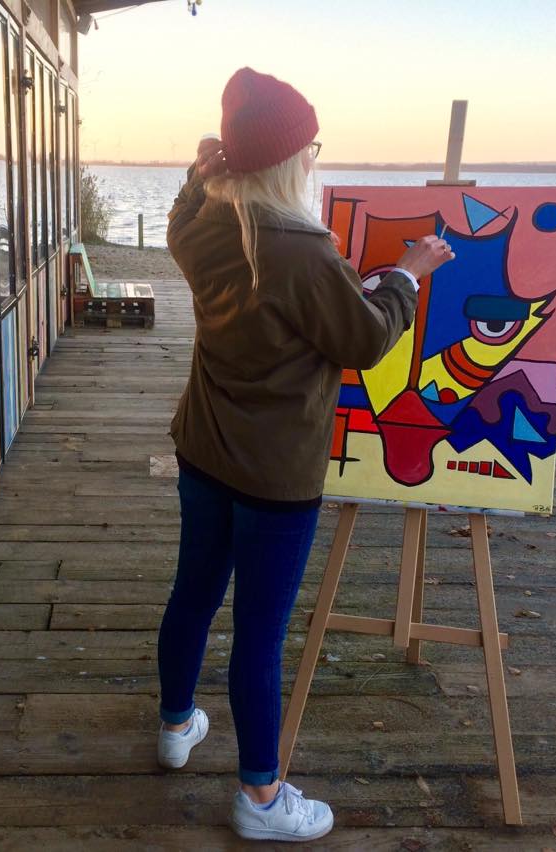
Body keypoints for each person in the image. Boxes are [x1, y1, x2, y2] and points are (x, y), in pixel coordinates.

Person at [155, 67, 455, 842]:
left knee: (193, 594)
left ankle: (176, 725)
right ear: (292, 160)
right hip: (276, 478)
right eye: (310, 148)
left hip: (203, 450)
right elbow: (365, 339)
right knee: (258, 634)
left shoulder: (203, 228)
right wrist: (409, 274)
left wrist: (196, 174)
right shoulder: (301, 250)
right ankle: (260, 799)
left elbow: (178, 219)